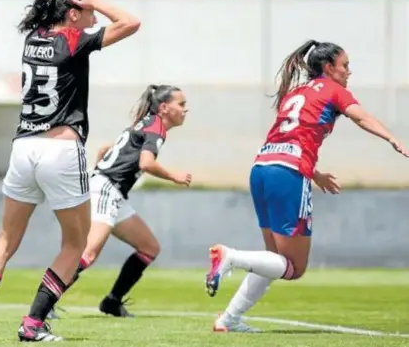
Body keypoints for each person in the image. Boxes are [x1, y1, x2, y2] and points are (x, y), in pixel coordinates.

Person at [0, 0, 140, 343]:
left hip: (23, 149)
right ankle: (33, 324)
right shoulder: (74, 40)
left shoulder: (33, 37)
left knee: (4, 240)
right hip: (61, 150)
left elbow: (48, 11)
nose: (94, 14)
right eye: (87, 9)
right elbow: (130, 23)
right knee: (75, 245)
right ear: (71, 13)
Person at [204, 39, 409, 333]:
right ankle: (230, 257)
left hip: (261, 168)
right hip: (287, 175)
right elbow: (360, 116)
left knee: (273, 258)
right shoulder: (334, 90)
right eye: (345, 65)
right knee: (294, 267)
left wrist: (316, 174)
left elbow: (289, 140)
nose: (349, 72)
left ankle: (229, 319)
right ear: (328, 67)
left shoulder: (296, 93)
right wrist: (390, 137)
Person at [58, 84, 192, 317]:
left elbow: (104, 149)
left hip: (111, 191)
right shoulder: (156, 128)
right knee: (87, 253)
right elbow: (146, 163)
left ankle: (112, 301)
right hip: (107, 189)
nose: (185, 109)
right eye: (181, 104)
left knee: (149, 247)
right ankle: (46, 301)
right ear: (164, 107)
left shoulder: (145, 123)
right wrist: (174, 176)